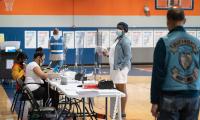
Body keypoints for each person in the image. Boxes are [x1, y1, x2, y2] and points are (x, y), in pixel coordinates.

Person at [151, 8, 200, 120]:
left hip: (170, 96)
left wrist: (154, 100)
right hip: (193, 96)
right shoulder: (197, 43)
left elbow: (158, 74)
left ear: (168, 21)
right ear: (185, 20)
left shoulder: (164, 42)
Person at [103, 22, 132, 118]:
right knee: (117, 90)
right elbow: (115, 54)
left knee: (122, 89)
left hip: (121, 69)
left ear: (124, 30)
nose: (117, 30)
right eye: (117, 28)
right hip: (114, 68)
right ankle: (117, 111)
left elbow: (128, 56)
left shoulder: (125, 41)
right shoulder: (117, 40)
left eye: (119, 28)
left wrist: (120, 67)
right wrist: (107, 54)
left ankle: (122, 113)